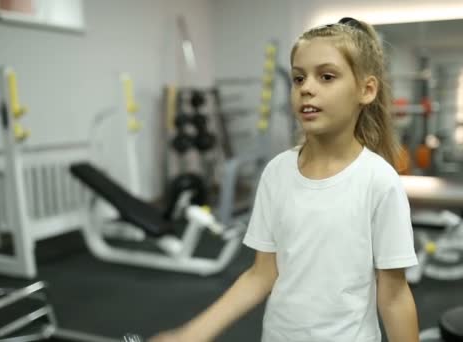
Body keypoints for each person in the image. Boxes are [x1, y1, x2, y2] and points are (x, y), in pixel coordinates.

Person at [150, 17, 419, 342]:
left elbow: (393, 296)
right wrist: (192, 334)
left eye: (327, 76)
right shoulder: (278, 172)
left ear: (366, 90)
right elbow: (261, 274)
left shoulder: (379, 181)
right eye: (298, 77)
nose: (306, 87)